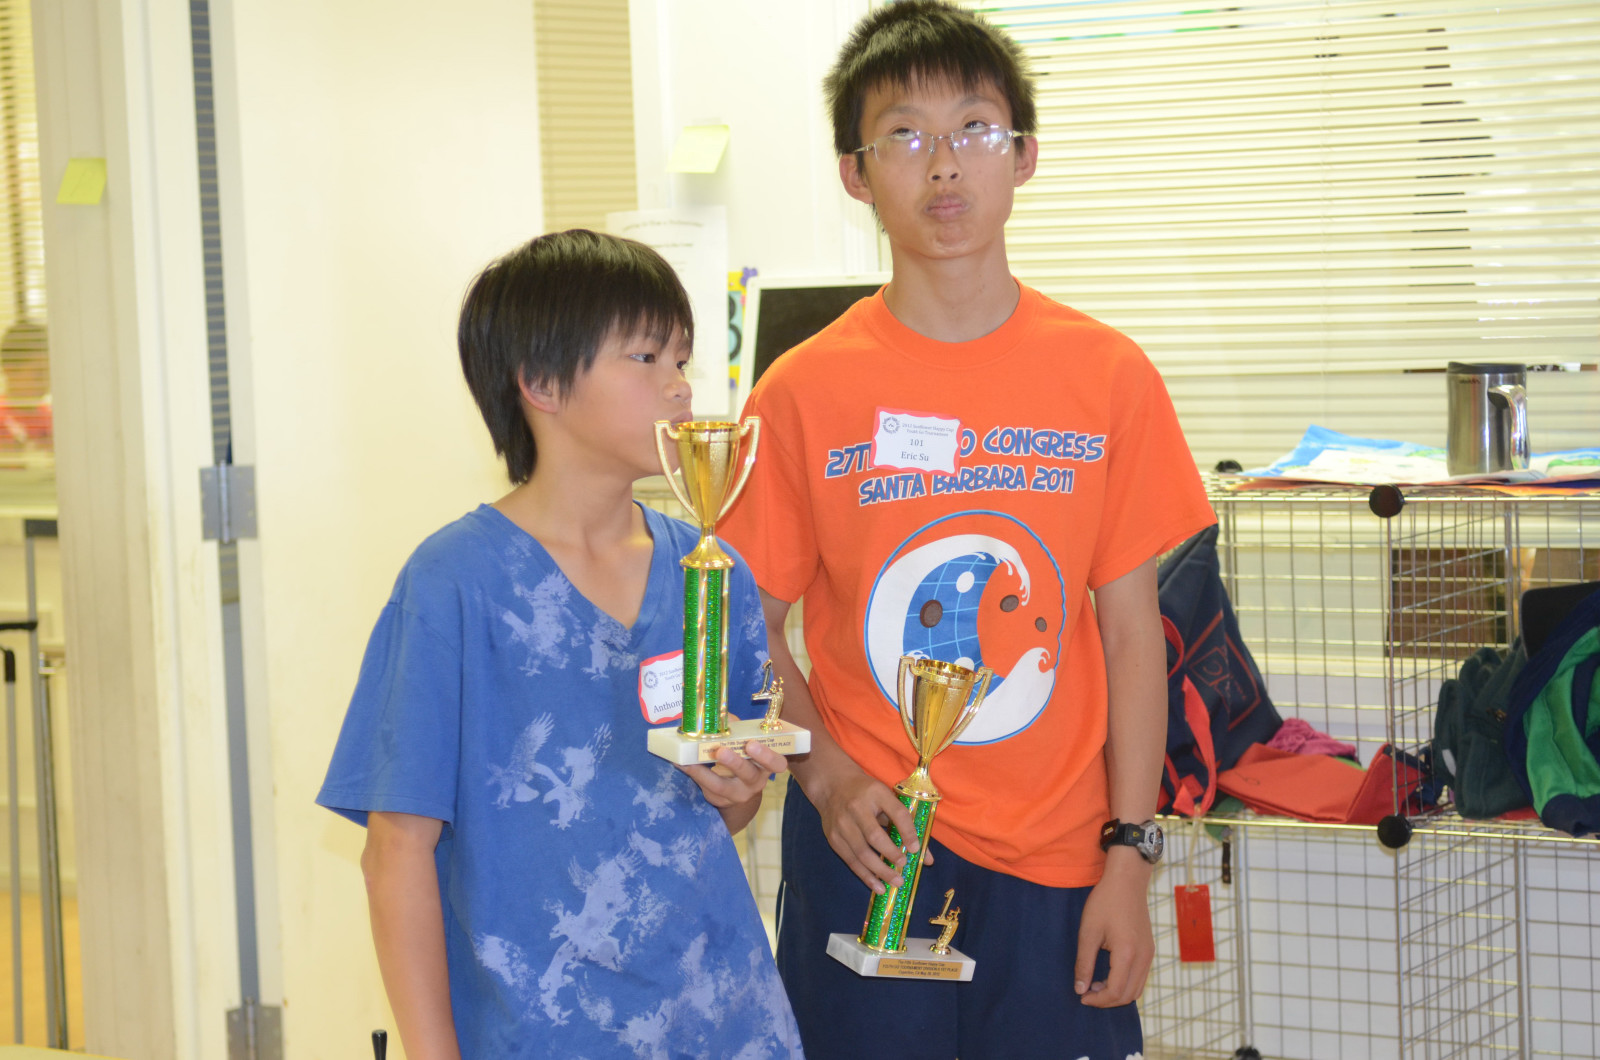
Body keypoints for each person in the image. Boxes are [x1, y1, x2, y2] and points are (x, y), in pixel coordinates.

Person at [717, 4, 1216, 1058]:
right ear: (855, 173)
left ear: (1024, 154)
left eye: (975, 128)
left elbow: (1132, 635)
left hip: (1059, 862)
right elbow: (742, 625)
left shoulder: (1107, 376)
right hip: (865, 849)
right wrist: (825, 777)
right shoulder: (801, 392)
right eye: (903, 134)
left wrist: (1129, 855)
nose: (943, 164)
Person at [317, 229, 803, 1059]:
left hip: (722, 1019)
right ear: (540, 383)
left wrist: (736, 787)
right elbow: (396, 852)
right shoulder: (455, 583)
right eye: (645, 358)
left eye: (682, 359)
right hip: (537, 1030)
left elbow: (725, 812)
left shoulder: (709, 570)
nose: (679, 387)